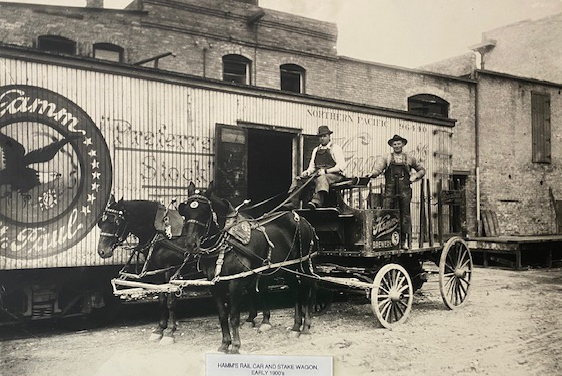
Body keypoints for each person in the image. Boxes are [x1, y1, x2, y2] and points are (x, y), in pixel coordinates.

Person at [369, 134, 425, 248]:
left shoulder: (410, 158)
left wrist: (414, 177)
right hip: (390, 190)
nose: (397, 146)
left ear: (403, 144)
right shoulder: (387, 158)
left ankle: (403, 242)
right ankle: (387, 241)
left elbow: (421, 170)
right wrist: (372, 174)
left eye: (399, 144)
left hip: (405, 190)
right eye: (394, 144)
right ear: (391, 145)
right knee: (386, 214)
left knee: (405, 215)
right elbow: (378, 169)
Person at [285, 125, 346, 210]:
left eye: (324, 136)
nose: (322, 138)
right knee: (298, 179)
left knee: (322, 178)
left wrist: (325, 171)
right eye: (320, 136)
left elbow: (341, 166)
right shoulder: (316, 150)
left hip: (335, 175)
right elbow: (312, 167)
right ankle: (293, 202)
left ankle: (316, 201)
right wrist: (307, 172)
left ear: (329, 136)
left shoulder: (335, 148)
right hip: (319, 174)